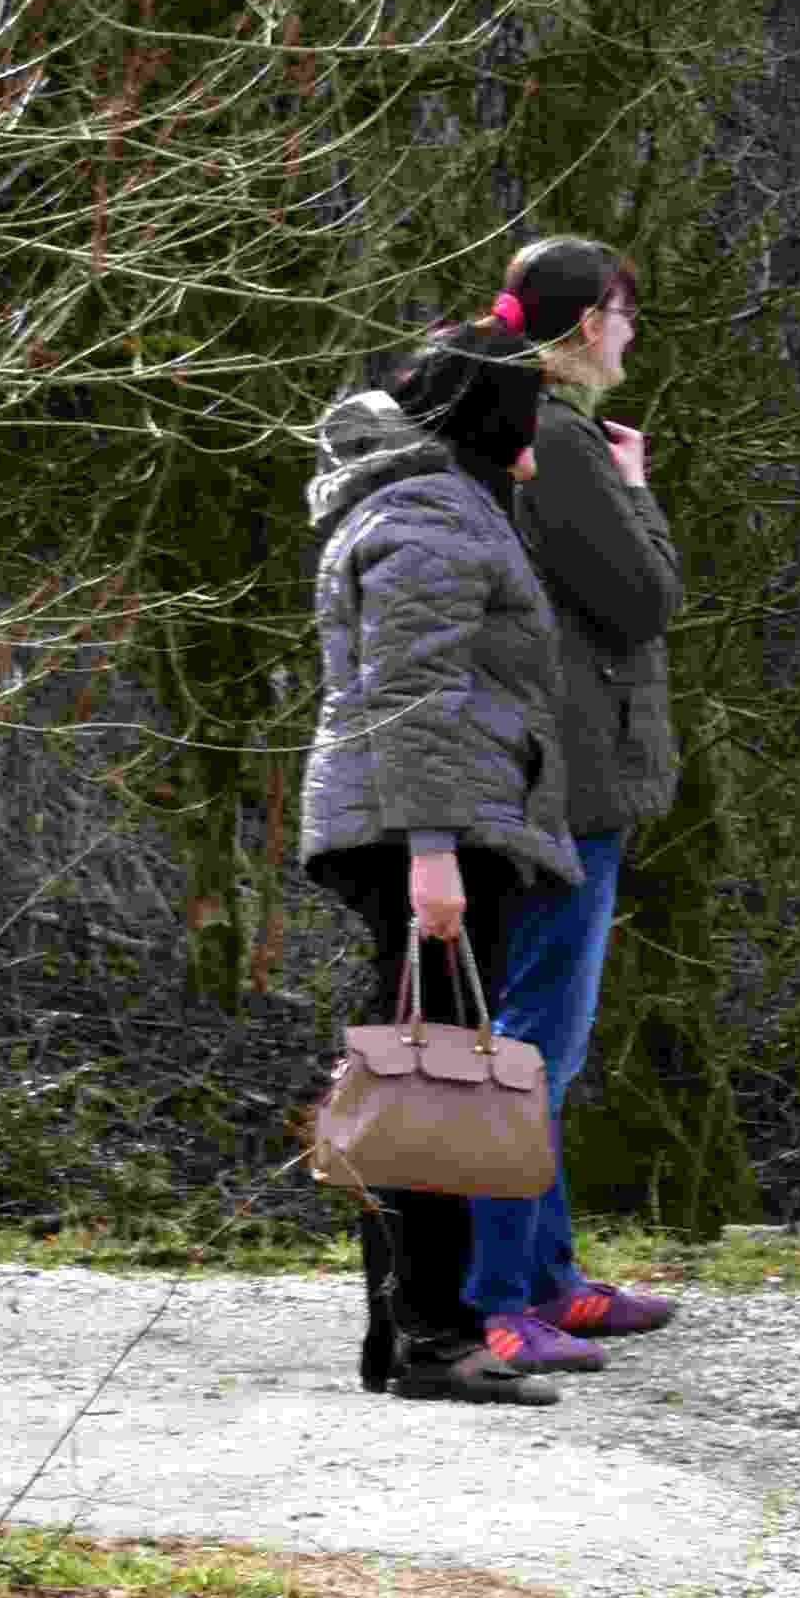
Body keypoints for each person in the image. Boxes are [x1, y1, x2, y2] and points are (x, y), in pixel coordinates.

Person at [297, 318, 586, 1407]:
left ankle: (406, 1333)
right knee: (434, 1081)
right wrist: (432, 856)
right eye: (531, 406)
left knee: (422, 1074)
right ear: (495, 413)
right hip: (429, 832)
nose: (542, 426)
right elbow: (410, 695)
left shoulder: (437, 502)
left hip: (445, 824)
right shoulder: (426, 513)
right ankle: (435, 1335)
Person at [466, 233, 684, 1371]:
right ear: (591, 321)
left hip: (530, 768)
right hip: (569, 781)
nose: (633, 337)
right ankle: (501, 1297)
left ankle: (550, 1280)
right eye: (627, 316)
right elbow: (644, 600)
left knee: (538, 1034)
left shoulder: (504, 421)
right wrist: (638, 493)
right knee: (537, 1046)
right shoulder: (556, 437)